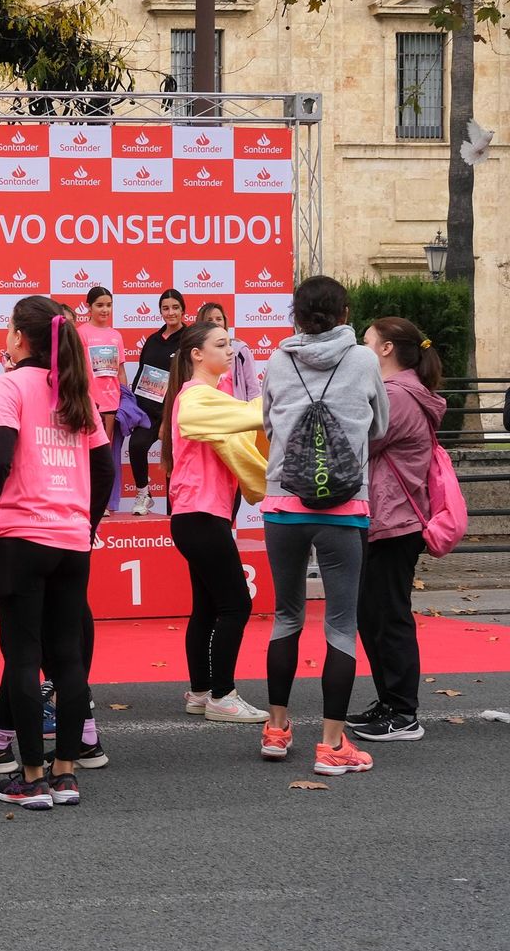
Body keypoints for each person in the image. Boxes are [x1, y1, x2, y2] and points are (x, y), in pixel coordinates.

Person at [0, 296, 114, 810]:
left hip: (21, 538)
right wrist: (85, 522)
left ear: (20, 337)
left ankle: (30, 778)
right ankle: (65, 773)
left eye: (8, 328)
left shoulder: (8, 386)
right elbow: (105, 469)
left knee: (23, 656)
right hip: (71, 541)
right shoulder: (75, 388)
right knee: (68, 657)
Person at [259, 275, 388, 775]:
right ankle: (332, 745)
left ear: (295, 314)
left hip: (283, 506)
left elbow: (269, 423)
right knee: (340, 624)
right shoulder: (363, 360)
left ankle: (276, 729)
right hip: (344, 508)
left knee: (286, 616)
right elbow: (380, 425)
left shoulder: (278, 360)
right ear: (344, 313)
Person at [159, 324, 270, 723]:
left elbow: (248, 433)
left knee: (207, 607)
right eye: (221, 345)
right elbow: (252, 415)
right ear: (196, 354)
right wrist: (286, 398)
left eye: (230, 344)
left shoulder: (211, 396)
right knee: (237, 604)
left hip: (202, 516)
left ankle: (201, 691)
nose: (230, 351)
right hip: (200, 516)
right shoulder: (195, 397)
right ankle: (222, 694)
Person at [347, 317, 445, 743]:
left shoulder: (397, 395)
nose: (361, 347)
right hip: (387, 519)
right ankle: (390, 702)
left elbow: (360, 442)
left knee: (388, 617)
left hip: (394, 521)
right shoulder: (400, 390)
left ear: (386, 349)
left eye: (367, 341)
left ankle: (403, 712)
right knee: (373, 616)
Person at [127, 289, 186, 515]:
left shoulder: (189, 339)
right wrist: (134, 408)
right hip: (149, 411)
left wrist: (167, 419)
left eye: (175, 307)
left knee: (172, 461)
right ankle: (144, 493)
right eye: (165, 308)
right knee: (136, 445)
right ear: (160, 311)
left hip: (177, 412)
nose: (170, 313)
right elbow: (142, 372)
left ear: (182, 310)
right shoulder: (152, 340)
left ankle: (175, 512)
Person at [79, 287, 126, 445]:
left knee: (106, 448)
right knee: (88, 449)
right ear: (89, 307)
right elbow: (78, 369)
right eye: (100, 305)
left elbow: (120, 371)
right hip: (89, 401)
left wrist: (125, 398)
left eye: (109, 305)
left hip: (112, 401)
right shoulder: (81, 333)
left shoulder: (116, 335)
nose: (105, 310)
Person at [197, 302, 260, 403]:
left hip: (236, 410)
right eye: (209, 320)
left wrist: (252, 410)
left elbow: (254, 389)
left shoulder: (240, 350)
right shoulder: (196, 353)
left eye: (219, 319)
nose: (215, 323)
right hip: (206, 410)